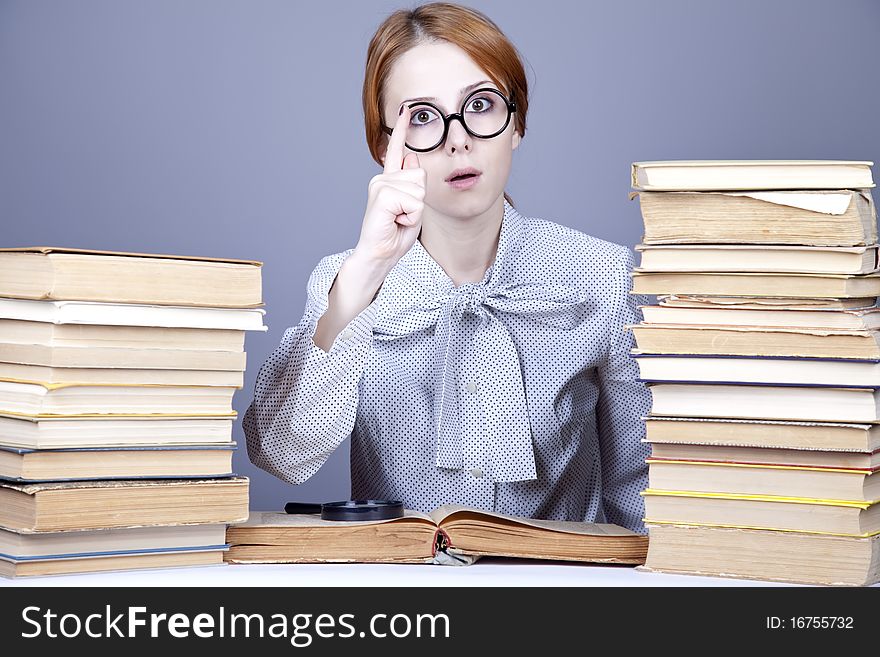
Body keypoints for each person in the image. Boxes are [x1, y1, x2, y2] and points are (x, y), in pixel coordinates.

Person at [243, 2, 652, 533]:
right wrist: (366, 272)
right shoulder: (346, 281)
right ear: (383, 146)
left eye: (481, 104)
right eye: (422, 116)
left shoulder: (603, 275)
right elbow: (279, 453)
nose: (458, 139)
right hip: (406, 599)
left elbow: (641, 491)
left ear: (517, 124)